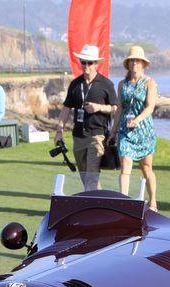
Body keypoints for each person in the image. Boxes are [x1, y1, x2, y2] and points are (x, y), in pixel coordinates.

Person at [55, 44, 117, 190]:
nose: (86, 65)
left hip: (97, 136)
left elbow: (115, 108)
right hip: (78, 137)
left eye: (90, 63)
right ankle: (98, 203)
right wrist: (59, 131)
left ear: (96, 64)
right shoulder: (75, 84)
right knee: (85, 176)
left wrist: (99, 108)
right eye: (83, 62)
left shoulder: (106, 84)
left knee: (92, 175)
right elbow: (66, 108)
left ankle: (93, 207)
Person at [109, 45, 158, 210]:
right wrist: (113, 131)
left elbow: (150, 107)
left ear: (143, 64)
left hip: (144, 131)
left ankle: (152, 202)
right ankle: (124, 201)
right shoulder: (122, 84)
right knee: (126, 163)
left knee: (146, 168)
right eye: (132, 60)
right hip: (125, 130)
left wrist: (138, 119)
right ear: (128, 63)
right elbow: (119, 109)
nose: (135, 63)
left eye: (138, 61)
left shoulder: (150, 83)